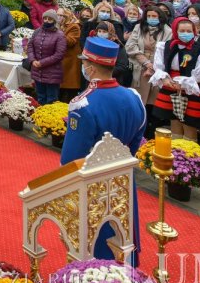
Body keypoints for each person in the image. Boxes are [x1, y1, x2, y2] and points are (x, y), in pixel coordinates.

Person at [59, 36, 146, 265]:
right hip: (124, 178)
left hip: (94, 183)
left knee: (97, 239)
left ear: (89, 65)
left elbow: (70, 160)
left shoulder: (83, 104)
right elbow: (136, 142)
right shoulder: (134, 97)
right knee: (122, 230)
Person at [149, 17, 200, 141]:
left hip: (191, 88)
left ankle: (189, 154)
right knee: (174, 120)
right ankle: (176, 151)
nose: (186, 34)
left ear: (194, 32)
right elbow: (159, 66)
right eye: (182, 31)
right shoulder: (166, 46)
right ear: (175, 31)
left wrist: (183, 84)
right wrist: (164, 79)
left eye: (188, 31)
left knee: (189, 123)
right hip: (170, 85)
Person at [25, 9, 66, 104]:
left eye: (50, 19)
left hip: (52, 73)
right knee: (40, 97)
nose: (47, 21)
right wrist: (32, 60)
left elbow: (59, 54)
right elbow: (30, 46)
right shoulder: (37, 31)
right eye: (45, 18)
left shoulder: (60, 35)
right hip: (37, 71)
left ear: (54, 21)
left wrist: (42, 63)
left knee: (51, 100)